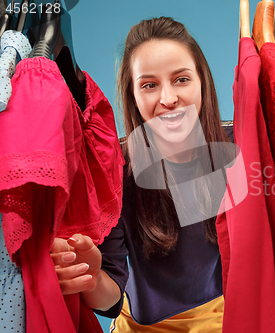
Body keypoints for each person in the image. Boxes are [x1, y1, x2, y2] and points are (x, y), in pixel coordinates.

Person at [50, 16, 234, 332]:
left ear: (202, 80)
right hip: (141, 327)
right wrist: (92, 275)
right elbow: (109, 300)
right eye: (149, 85)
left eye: (181, 79)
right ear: (132, 94)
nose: (168, 99)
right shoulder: (116, 170)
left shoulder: (235, 148)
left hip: (223, 317)